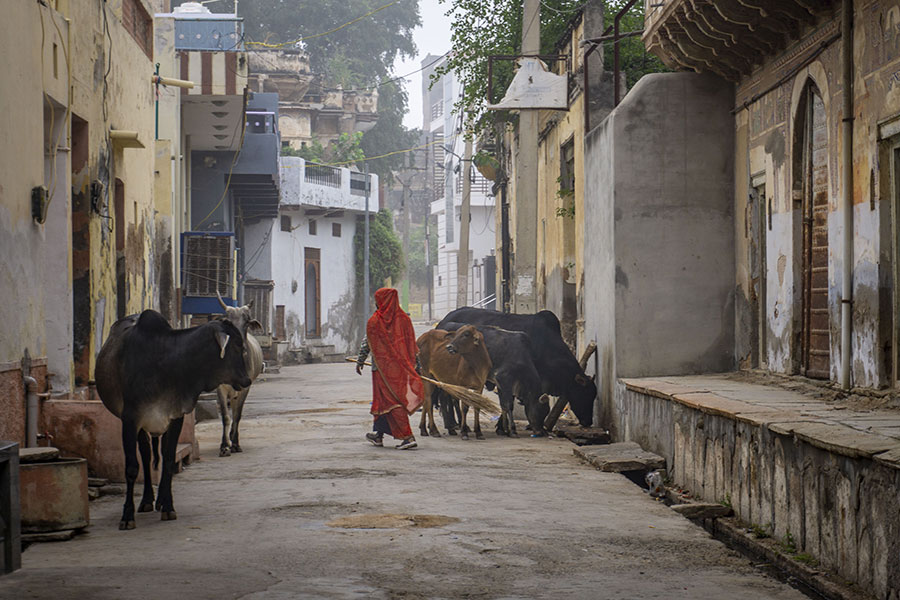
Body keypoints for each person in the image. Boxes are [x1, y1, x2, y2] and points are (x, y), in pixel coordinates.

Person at [355, 288, 423, 450]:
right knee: (383, 402)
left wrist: (360, 360)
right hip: (402, 368)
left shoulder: (375, 321)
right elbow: (411, 344)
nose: (376, 302)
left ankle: (408, 437)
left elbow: (367, 342)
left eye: (377, 299)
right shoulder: (404, 319)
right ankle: (378, 434)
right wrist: (416, 366)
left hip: (382, 370)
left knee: (392, 401)